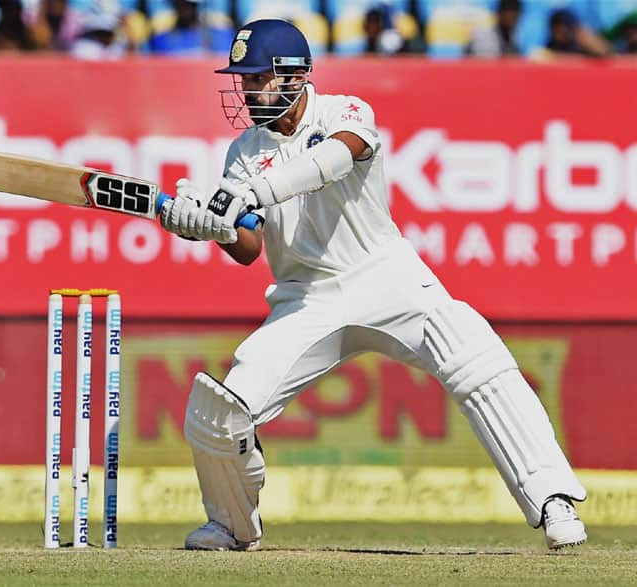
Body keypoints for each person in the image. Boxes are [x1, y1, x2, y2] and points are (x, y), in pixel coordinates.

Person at [158, 19, 587, 552]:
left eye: (254, 78)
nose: (245, 90)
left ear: (291, 76)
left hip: (386, 277)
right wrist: (207, 226)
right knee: (222, 409)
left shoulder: (346, 111)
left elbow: (337, 158)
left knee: (476, 355)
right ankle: (230, 524)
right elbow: (246, 247)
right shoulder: (243, 151)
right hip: (305, 297)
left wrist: (253, 195)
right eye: (241, 79)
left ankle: (552, 501)